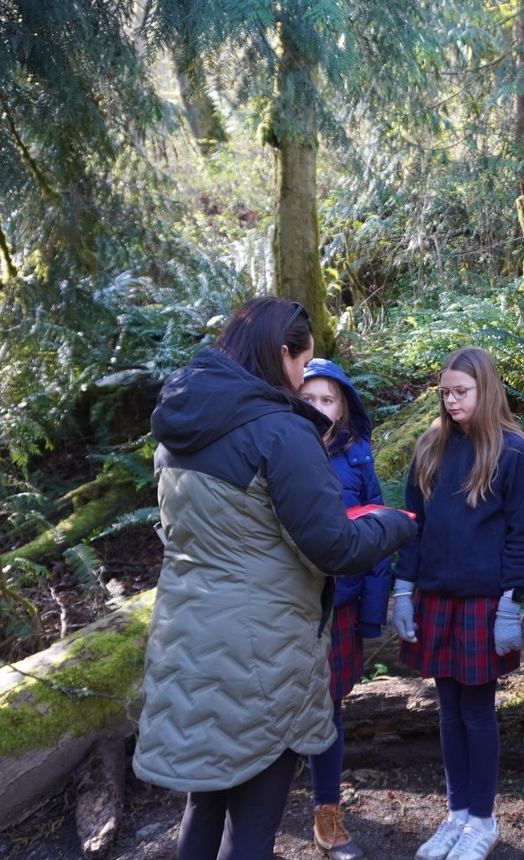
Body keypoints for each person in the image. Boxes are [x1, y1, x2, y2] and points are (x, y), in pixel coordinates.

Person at [135, 296, 417, 860]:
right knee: (254, 827)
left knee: (204, 805)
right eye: (302, 362)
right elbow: (332, 545)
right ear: (283, 353)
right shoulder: (279, 432)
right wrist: (393, 523)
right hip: (260, 654)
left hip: (187, 640)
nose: (302, 377)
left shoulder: (180, 428)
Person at [390, 346, 524, 860]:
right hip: (435, 599)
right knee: (447, 712)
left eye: (462, 392)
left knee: (477, 712)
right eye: (446, 392)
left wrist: (509, 602)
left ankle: (483, 819)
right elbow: (414, 527)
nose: (452, 401)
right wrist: (403, 591)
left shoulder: (513, 450)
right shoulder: (430, 445)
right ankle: (456, 815)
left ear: (486, 389)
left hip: (483, 604)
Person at [298, 358, 393, 860]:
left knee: (329, 712)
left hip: (341, 607)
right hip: (286, 608)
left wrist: (373, 615)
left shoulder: (357, 458)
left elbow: (377, 532)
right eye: (308, 398)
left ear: (344, 406)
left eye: (327, 399)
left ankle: (326, 814)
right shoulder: (276, 450)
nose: (317, 408)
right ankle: (256, 820)